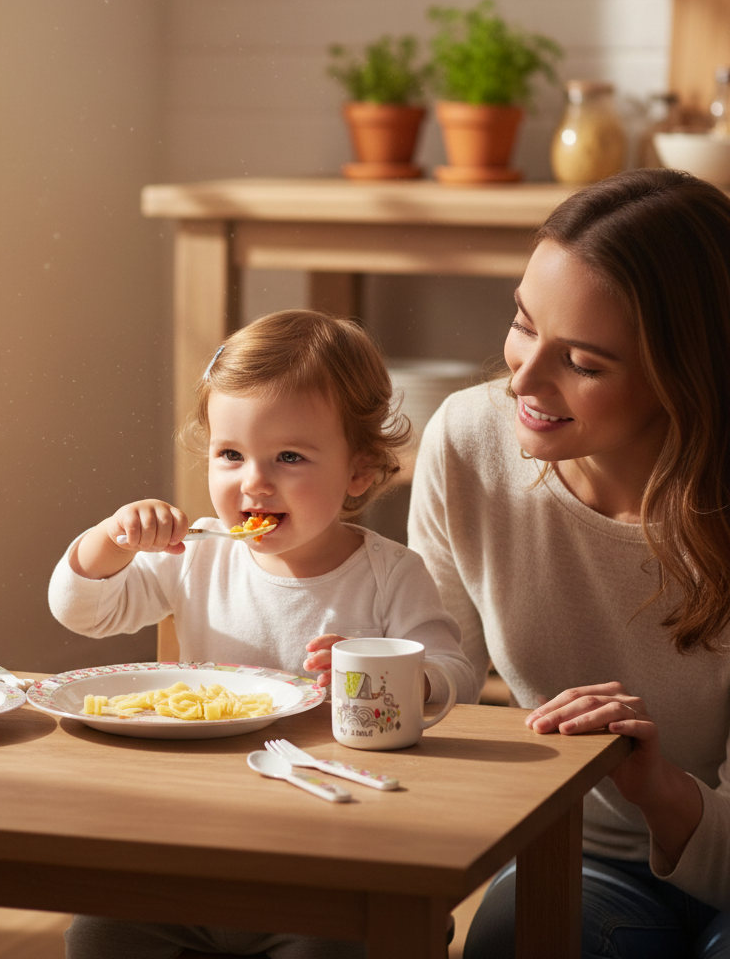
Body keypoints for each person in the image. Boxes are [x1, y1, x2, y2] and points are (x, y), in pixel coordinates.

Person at [49, 308, 478, 959]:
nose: (255, 480)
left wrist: (396, 674)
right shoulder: (193, 556)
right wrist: (109, 540)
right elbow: (82, 610)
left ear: (359, 471)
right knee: (97, 934)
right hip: (203, 853)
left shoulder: (391, 575)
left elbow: (456, 674)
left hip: (343, 861)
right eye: (230, 455)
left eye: (289, 456)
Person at [404, 168, 730, 958]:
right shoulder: (468, 443)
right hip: (581, 856)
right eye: (523, 323)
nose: (521, 377)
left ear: (684, 378)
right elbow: (428, 678)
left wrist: (660, 792)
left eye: (582, 362)